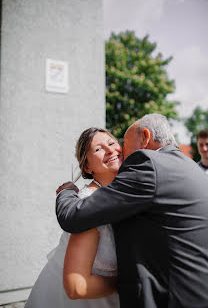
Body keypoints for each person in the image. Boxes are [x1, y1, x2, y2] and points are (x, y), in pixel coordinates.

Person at [56, 113, 208, 308]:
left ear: (145, 137)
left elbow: (73, 215)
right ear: (87, 166)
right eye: (98, 148)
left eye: (116, 144)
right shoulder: (189, 166)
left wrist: (67, 191)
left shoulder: (149, 165)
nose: (118, 152)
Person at [25, 127, 122, 308]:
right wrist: (130, 281)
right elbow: (76, 287)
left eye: (111, 143)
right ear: (87, 166)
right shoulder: (88, 205)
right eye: (99, 149)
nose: (110, 150)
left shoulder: (127, 192)